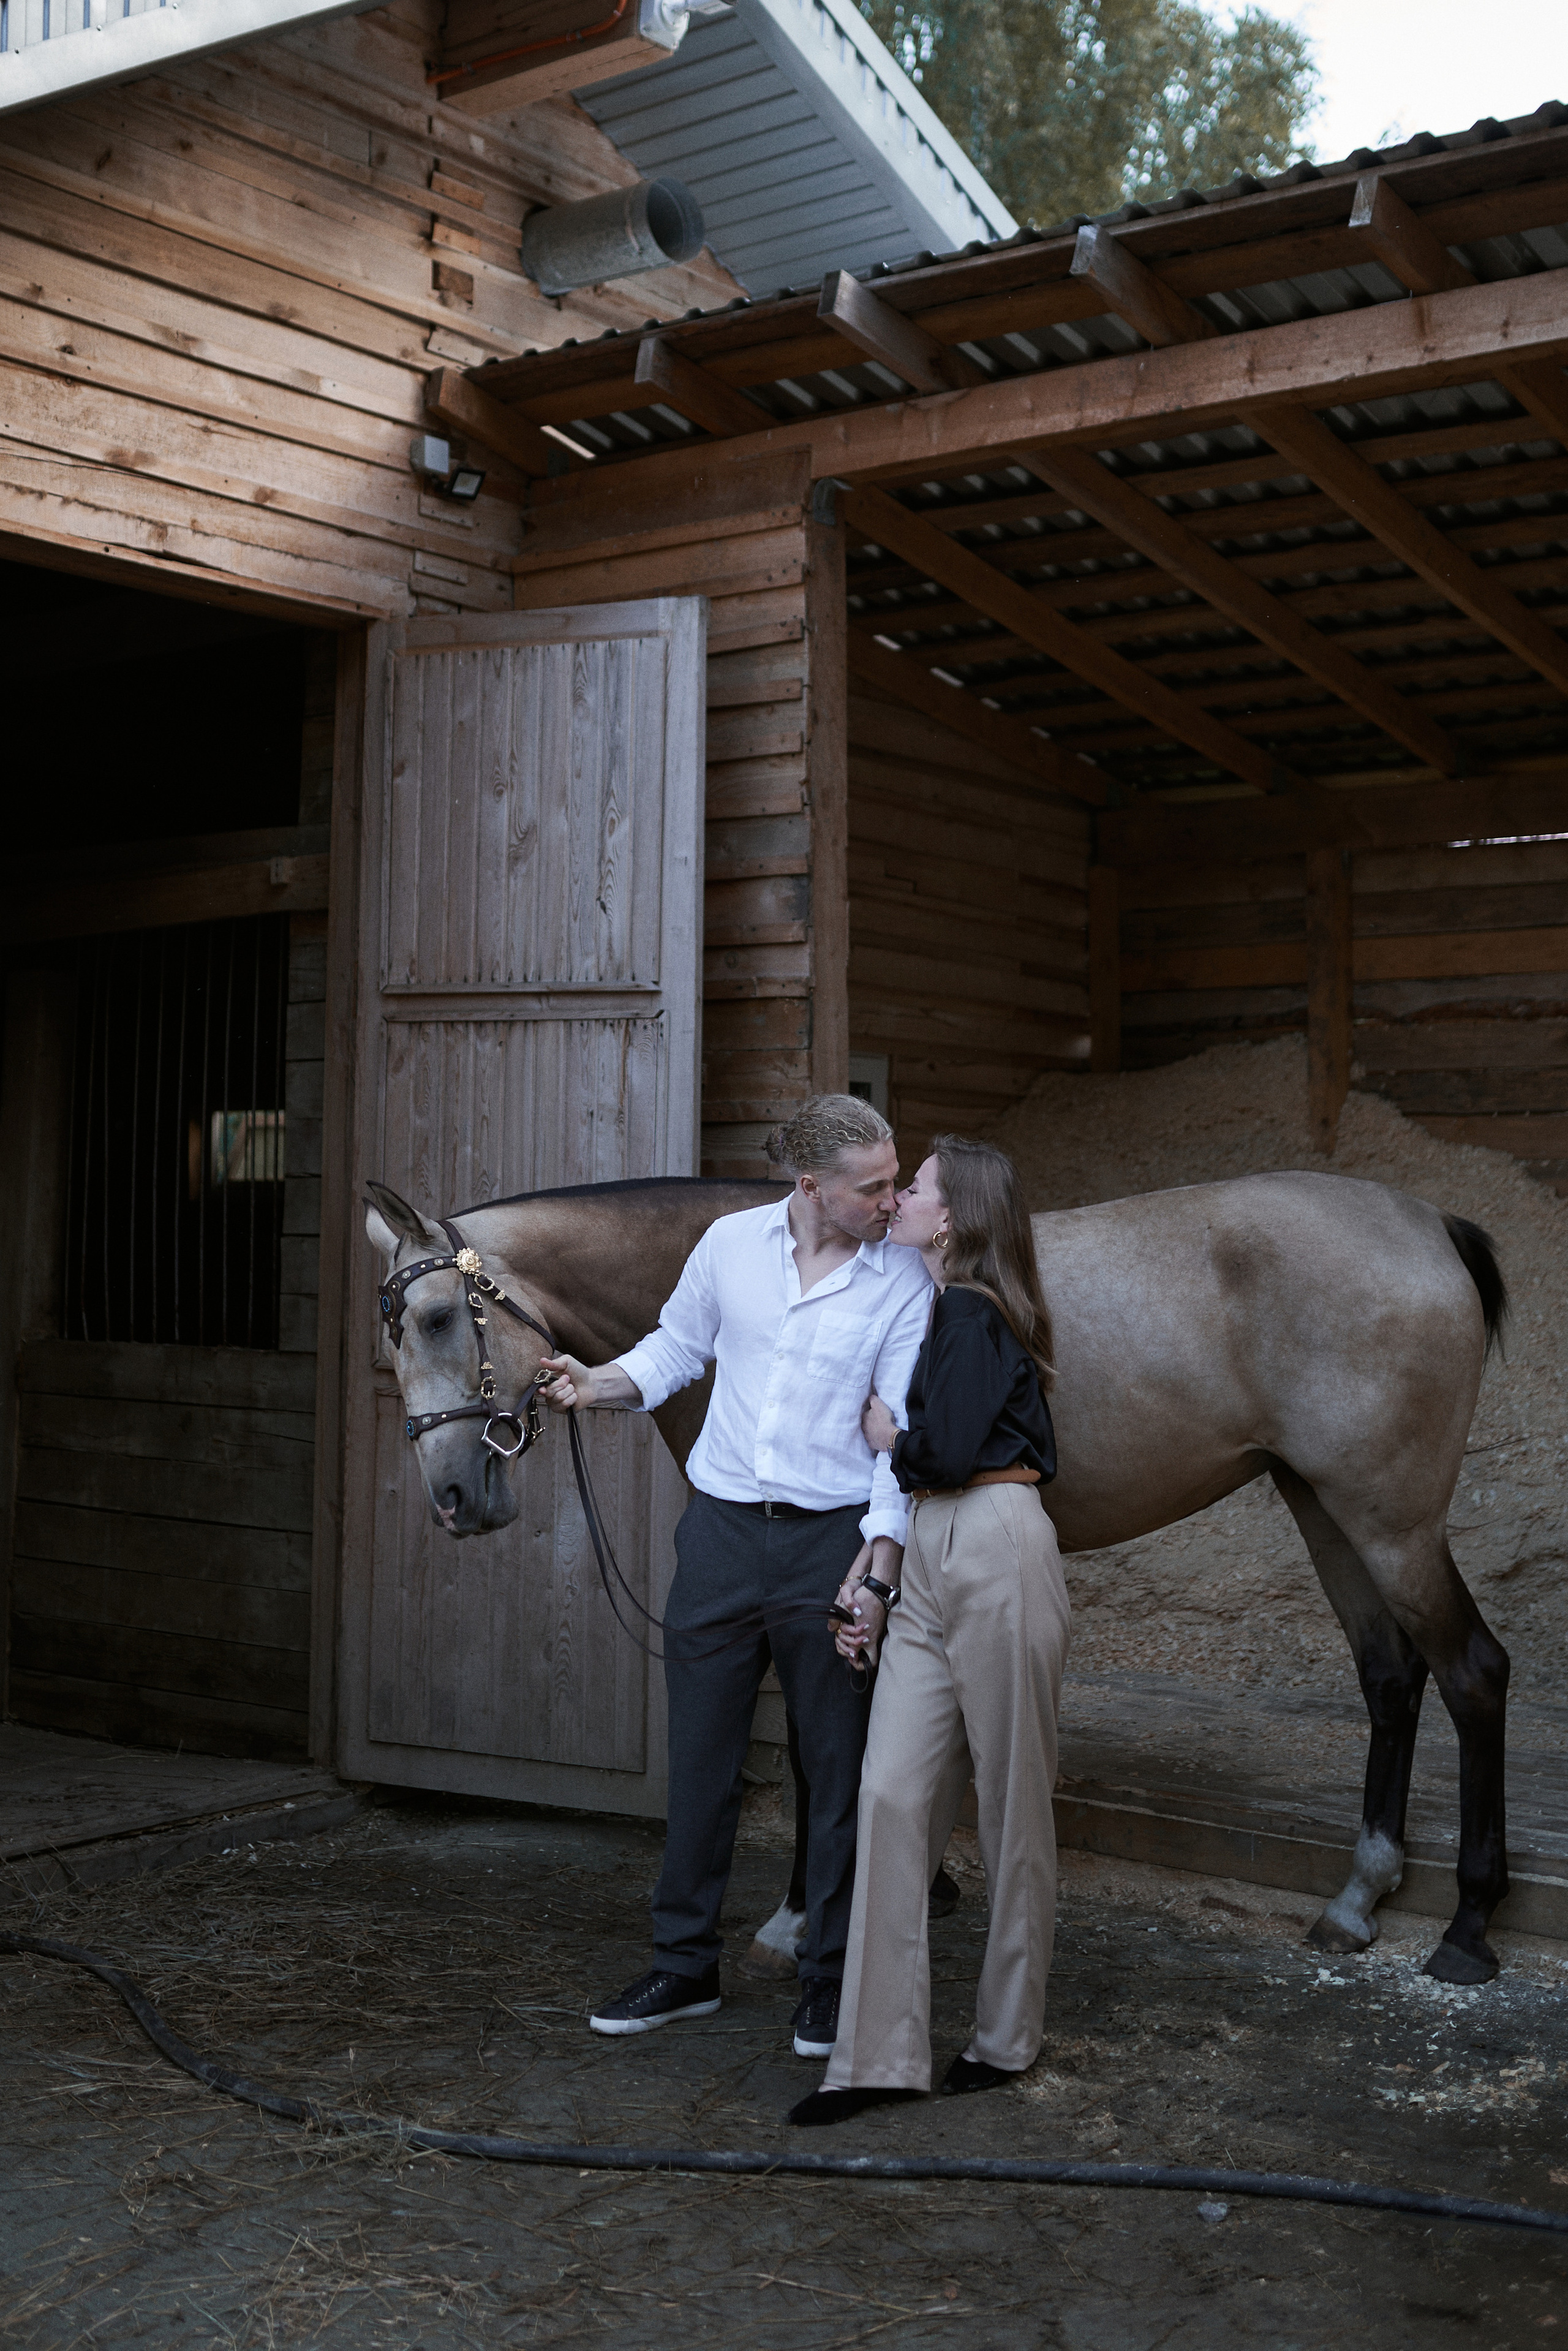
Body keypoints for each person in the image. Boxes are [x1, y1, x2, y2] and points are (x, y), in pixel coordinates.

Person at [537, 1095, 931, 2061]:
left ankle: (830, 1978)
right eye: (873, 1186)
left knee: (833, 1769)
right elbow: (678, 1349)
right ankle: (686, 1964)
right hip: (716, 1534)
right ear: (811, 1187)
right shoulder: (727, 1246)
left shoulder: (905, 1282)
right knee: (702, 1759)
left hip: (828, 1541)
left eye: (894, 1180)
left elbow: (901, 1444)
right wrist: (595, 1384)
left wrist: (875, 1575)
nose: (892, 1199)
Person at [789, 1134, 1069, 2126]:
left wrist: (888, 1439)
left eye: (916, 1189)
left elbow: (945, 1449)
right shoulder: (949, 1309)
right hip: (937, 1544)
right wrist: (876, 1573)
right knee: (891, 1790)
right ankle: (876, 2055)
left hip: (996, 1536)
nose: (900, 1197)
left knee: (1011, 1803)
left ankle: (1005, 2037)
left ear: (950, 1219)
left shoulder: (970, 1311)